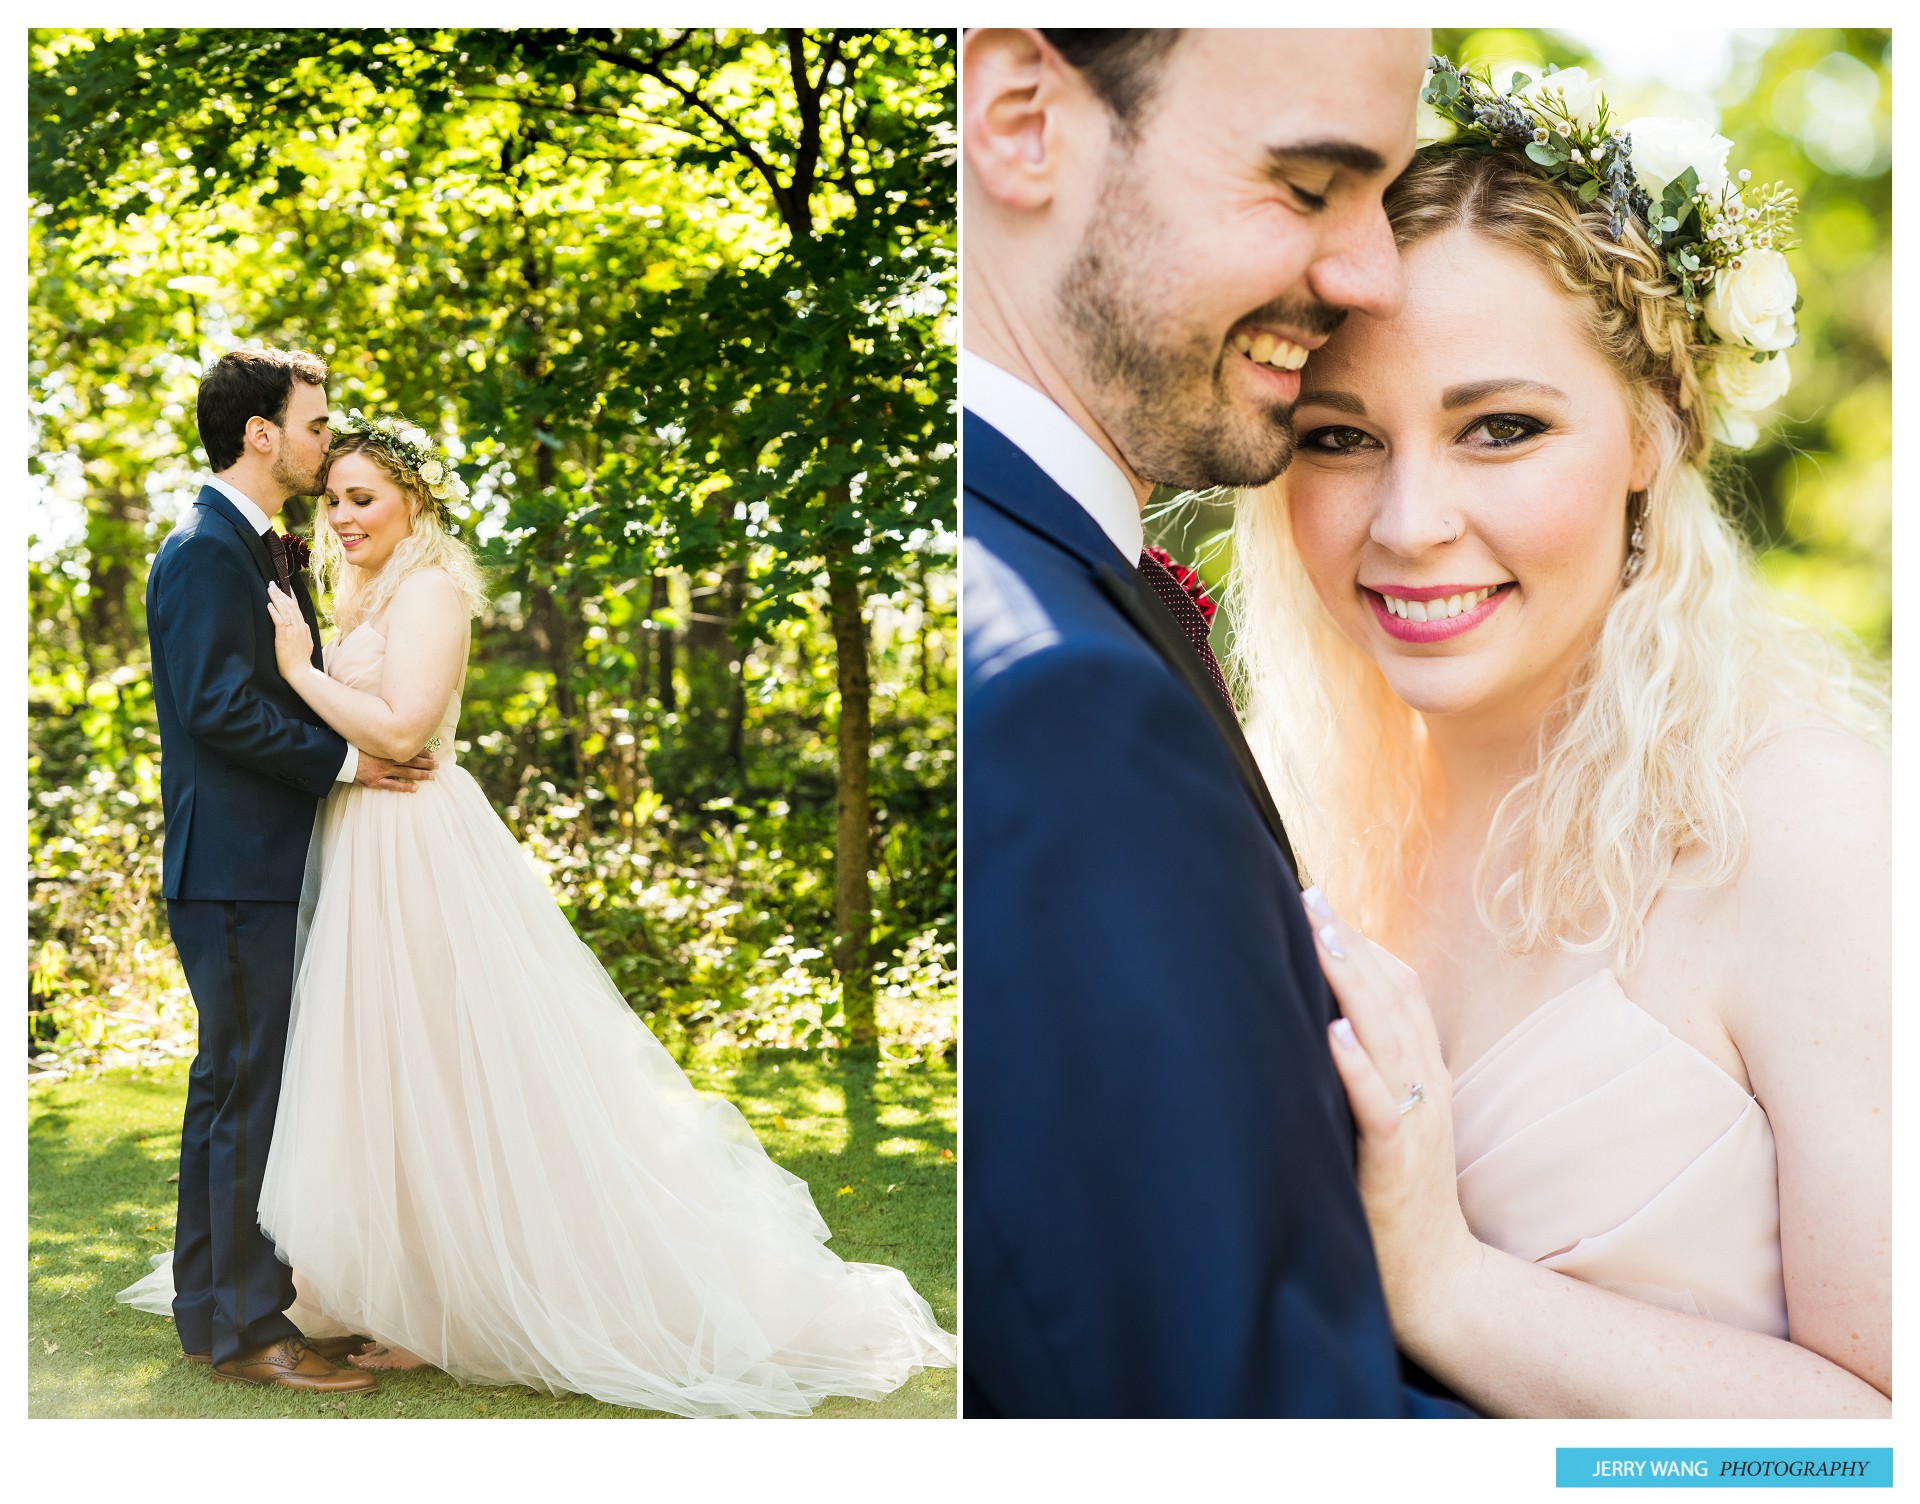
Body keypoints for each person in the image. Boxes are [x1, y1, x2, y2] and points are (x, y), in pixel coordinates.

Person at [1228, 60, 1891, 1417]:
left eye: (1503, 429)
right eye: (1342, 437)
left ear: (1651, 432)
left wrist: (1444, 1284)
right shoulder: (1290, 806)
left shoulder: (1808, 832)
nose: (1409, 520)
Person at [231, 412, 952, 1416]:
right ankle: (404, 1291)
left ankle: (477, 1291)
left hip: (423, 846)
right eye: (335, 497)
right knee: (384, 1069)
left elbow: (400, 726)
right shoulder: (356, 589)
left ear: (415, 501)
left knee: (454, 1060)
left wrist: (302, 669)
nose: (343, 515)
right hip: (360, 841)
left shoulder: (434, 588)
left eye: (365, 497)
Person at [961, 27, 1466, 1416]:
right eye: (1310, 187)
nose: (1372, 275)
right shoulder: (1050, 697)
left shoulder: (1039, 578)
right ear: (1020, 120)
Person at [139, 348, 435, 1394]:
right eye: (314, 423)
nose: (324, 438)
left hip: (258, 861)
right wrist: (353, 761)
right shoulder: (201, 551)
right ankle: (255, 1331)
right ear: (260, 433)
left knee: (233, 1085)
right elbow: (217, 709)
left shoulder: (253, 546)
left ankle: (209, 1313)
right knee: (248, 1090)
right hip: (232, 865)